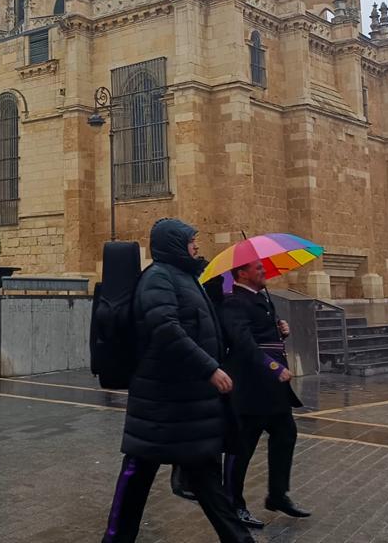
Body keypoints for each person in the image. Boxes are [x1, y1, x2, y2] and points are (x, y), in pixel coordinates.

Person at [101, 218, 254, 543]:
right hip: (161, 404)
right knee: (137, 477)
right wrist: (209, 368)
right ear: (173, 244)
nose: (196, 246)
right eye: (190, 241)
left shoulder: (186, 277)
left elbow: (201, 323)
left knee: (206, 483)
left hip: (186, 406)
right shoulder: (158, 278)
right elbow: (166, 329)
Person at [222, 260, 310, 529]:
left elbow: (263, 337)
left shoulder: (260, 299)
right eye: (258, 268)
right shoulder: (234, 302)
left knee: (286, 433)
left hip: (271, 390)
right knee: (241, 448)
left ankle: (277, 494)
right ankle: (233, 505)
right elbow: (243, 342)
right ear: (242, 273)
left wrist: (280, 332)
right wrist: (273, 366)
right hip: (251, 388)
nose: (264, 272)